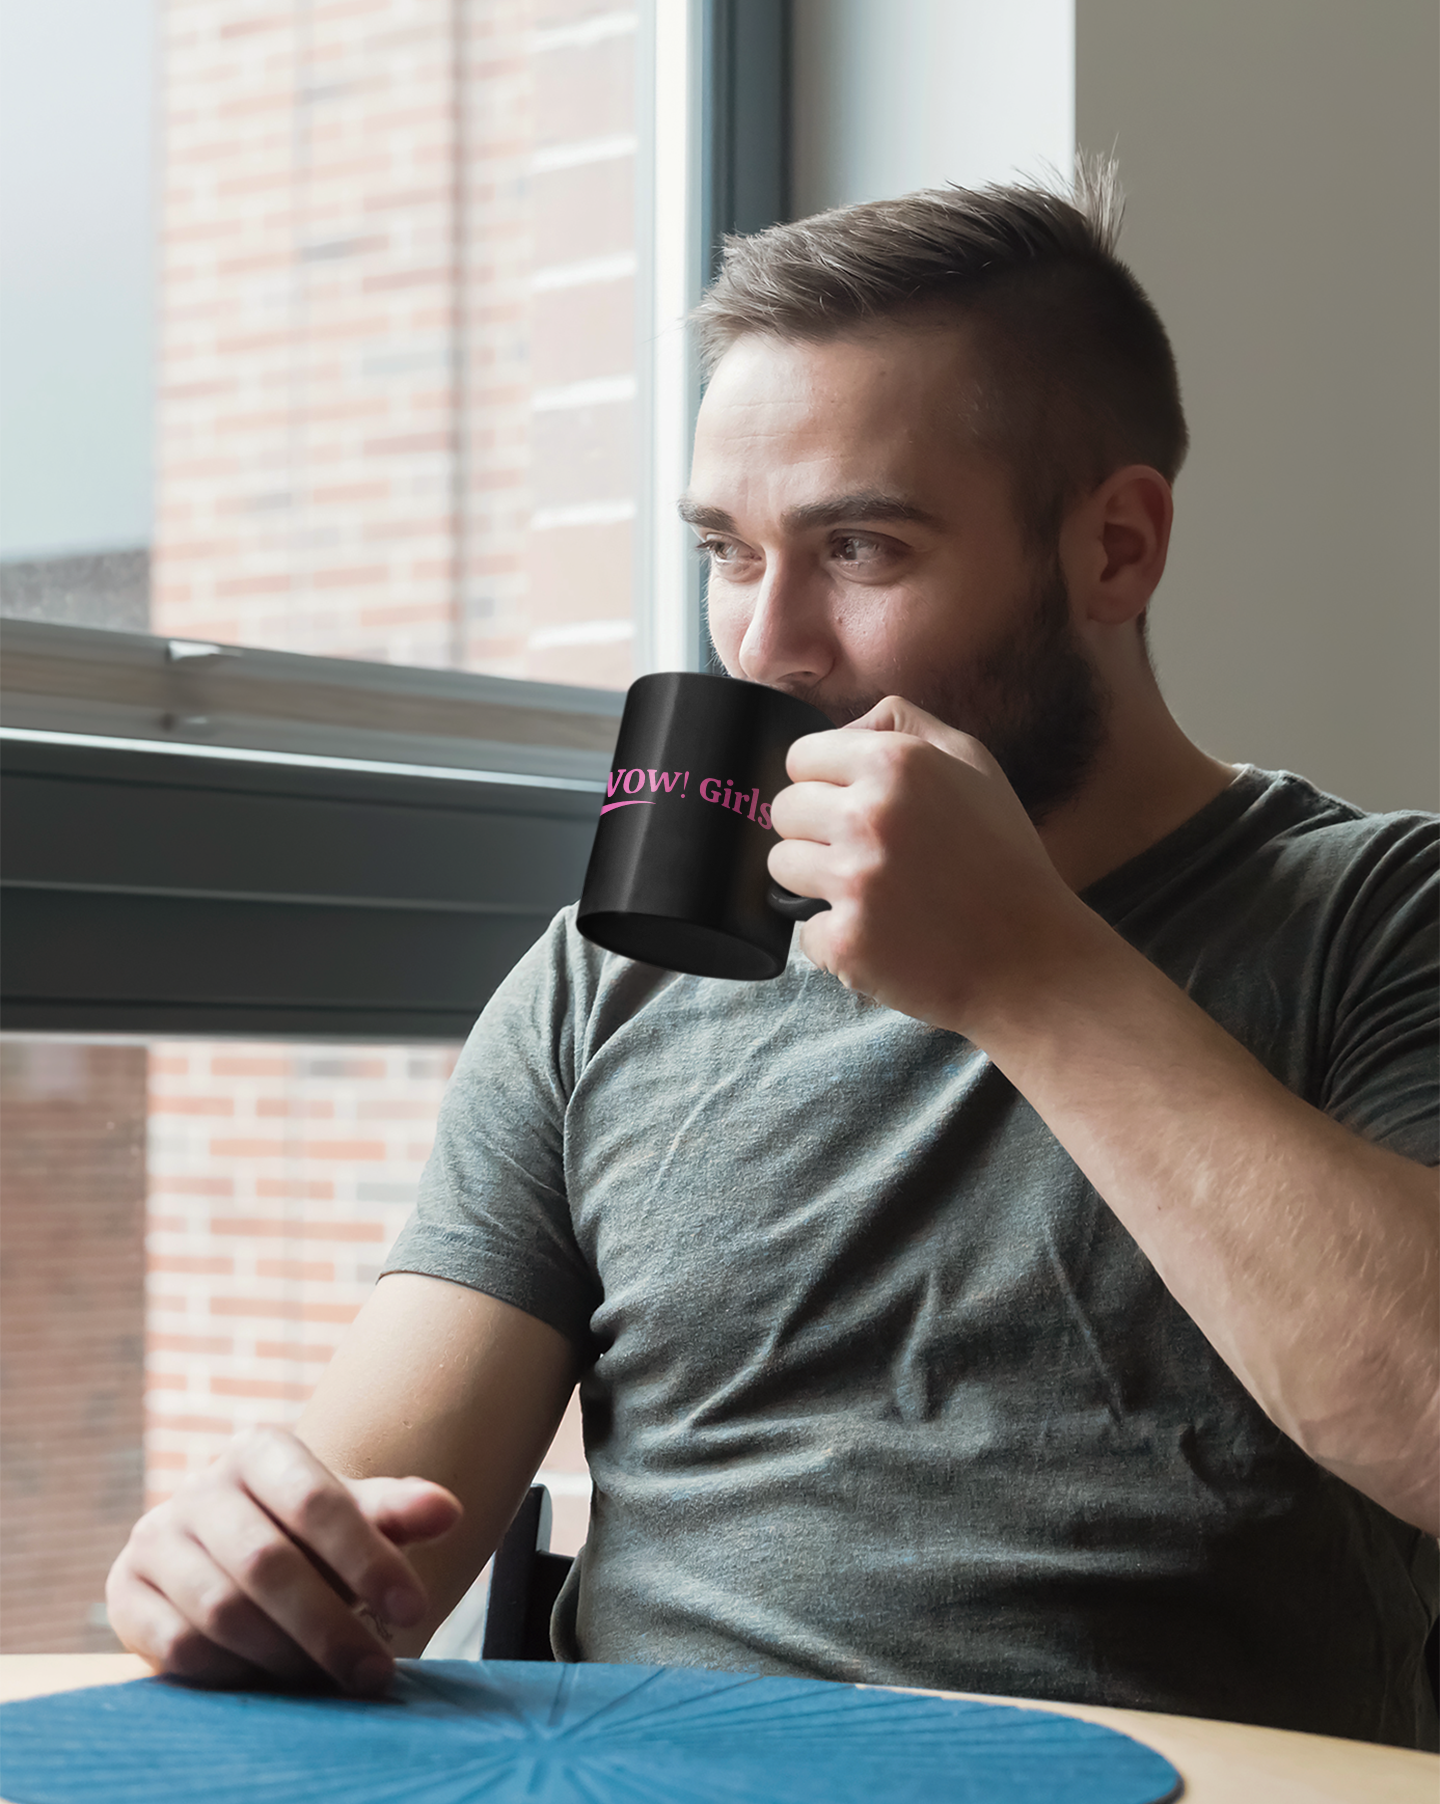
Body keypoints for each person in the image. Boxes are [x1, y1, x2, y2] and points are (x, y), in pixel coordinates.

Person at [106, 165, 1439, 1749]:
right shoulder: (605, 979)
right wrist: (248, 1561)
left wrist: (1032, 973)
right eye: (728, 552)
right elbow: (381, 1516)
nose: (763, 644)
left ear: (1117, 550)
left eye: (860, 550)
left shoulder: (1378, 915)